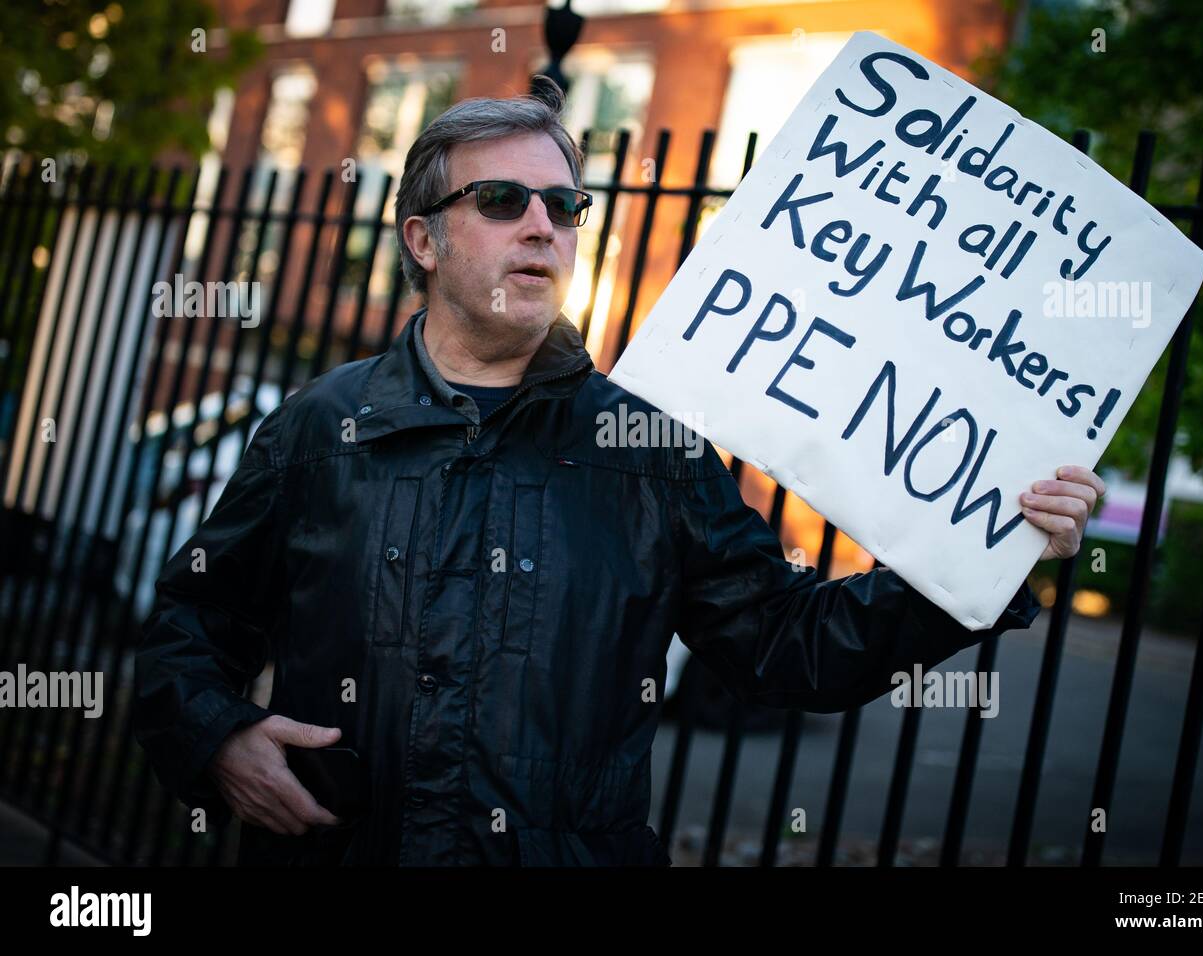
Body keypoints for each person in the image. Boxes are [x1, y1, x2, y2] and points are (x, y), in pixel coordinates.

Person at [133, 77, 1105, 866]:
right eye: (503, 200)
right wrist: (216, 736)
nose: (542, 226)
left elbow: (788, 645)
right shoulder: (319, 428)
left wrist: (992, 556)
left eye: (563, 204)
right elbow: (189, 624)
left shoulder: (650, 449)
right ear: (421, 240)